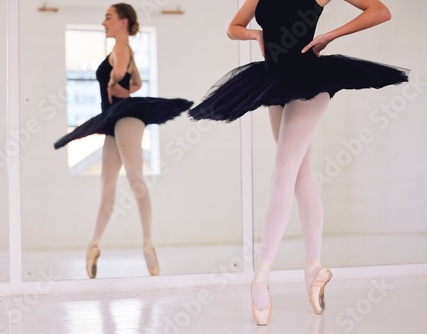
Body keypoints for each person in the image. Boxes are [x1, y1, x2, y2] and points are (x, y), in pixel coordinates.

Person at [188, 0, 408, 326]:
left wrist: (330, 35)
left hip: (309, 79)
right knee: (301, 177)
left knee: (282, 173)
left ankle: (261, 275)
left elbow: (380, 10)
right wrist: (256, 34)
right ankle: (313, 269)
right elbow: (233, 28)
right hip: (274, 80)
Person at [54, 3, 193, 278]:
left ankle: (147, 244)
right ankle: (94, 245)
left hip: (126, 118)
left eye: (108, 17)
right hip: (114, 121)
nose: (103, 22)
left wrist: (115, 80)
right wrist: (120, 83)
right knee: (109, 183)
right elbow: (137, 83)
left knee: (133, 177)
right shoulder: (124, 50)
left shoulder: (120, 50)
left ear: (123, 22)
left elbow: (120, 71)